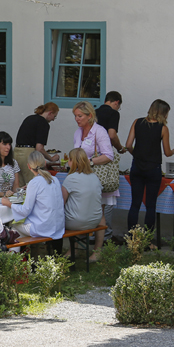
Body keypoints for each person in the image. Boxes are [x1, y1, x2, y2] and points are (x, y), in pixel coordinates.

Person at [125, 99, 174, 232]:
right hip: (154, 168)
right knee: (151, 205)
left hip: (137, 167)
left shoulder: (137, 122)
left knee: (135, 204)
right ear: (163, 113)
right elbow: (167, 152)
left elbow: (128, 145)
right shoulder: (163, 128)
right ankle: (147, 239)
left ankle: (132, 237)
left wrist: (136, 154)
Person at [73, 101, 119, 236]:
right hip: (82, 178)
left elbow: (109, 155)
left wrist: (90, 162)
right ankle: (79, 245)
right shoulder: (77, 132)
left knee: (98, 212)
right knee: (80, 211)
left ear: (90, 116)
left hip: (97, 178)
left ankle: (98, 249)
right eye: (75, 116)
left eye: (80, 116)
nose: (77, 119)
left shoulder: (99, 131)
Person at [2, 151, 65, 244]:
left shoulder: (34, 182)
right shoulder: (54, 179)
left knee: (13, 226)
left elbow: (25, 210)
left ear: (29, 166)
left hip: (43, 227)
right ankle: (32, 253)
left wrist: (9, 204)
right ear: (45, 163)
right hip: (58, 226)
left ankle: (19, 256)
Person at [61, 148, 105, 262]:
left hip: (76, 222)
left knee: (66, 211)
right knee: (99, 213)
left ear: (73, 161)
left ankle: (72, 250)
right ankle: (97, 252)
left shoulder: (70, 178)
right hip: (95, 221)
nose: (67, 163)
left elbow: (61, 202)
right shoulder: (95, 177)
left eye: (69, 160)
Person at [96, 91, 124, 243]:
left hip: (91, 157)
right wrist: (119, 148)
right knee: (107, 197)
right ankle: (106, 234)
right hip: (105, 158)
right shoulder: (113, 114)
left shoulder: (94, 112)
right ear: (116, 102)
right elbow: (112, 135)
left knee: (94, 197)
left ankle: (92, 233)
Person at [15, 102, 60, 187]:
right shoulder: (43, 123)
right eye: (54, 116)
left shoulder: (29, 118)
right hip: (28, 154)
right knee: (32, 183)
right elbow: (39, 148)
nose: (53, 119)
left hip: (16, 152)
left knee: (20, 185)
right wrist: (51, 158)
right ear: (50, 113)